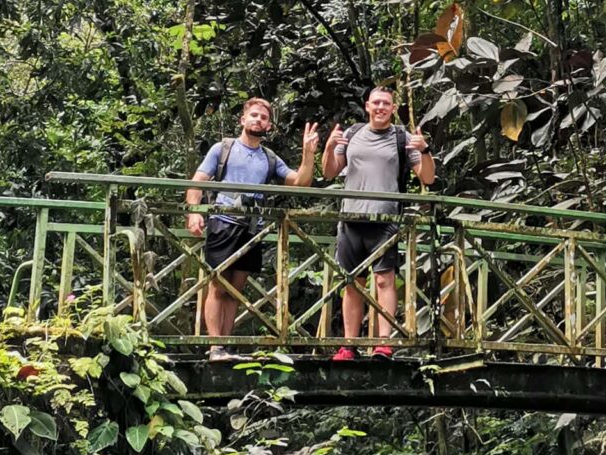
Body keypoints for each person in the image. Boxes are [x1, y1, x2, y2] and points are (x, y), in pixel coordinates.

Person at [186, 99, 320, 357]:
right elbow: (198, 181)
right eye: (254, 115)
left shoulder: (269, 158)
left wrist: (308, 154)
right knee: (217, 285)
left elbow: (300, 182)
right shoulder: (223, 148)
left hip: (252, 229)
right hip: (223, 223)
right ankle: (214, 346)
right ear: (243, 120)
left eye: (263, 118)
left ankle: (225, 345)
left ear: (268, 125)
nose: (258, 120)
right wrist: (194, 212)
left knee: (235, 289)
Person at [322, 85, 436, 360]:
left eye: (386, 103)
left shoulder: (402, 137)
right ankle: (349, 344)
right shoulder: (352, 134)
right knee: (352, 283)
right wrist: (328, 147)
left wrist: (425, 150)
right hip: (351, 219)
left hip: (385, 220)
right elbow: (329, 172)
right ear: (367, 106)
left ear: (393, 108)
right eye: (376, 103)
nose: (381, 107)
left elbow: (428, 178)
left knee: (384, 281)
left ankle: (383, 343)